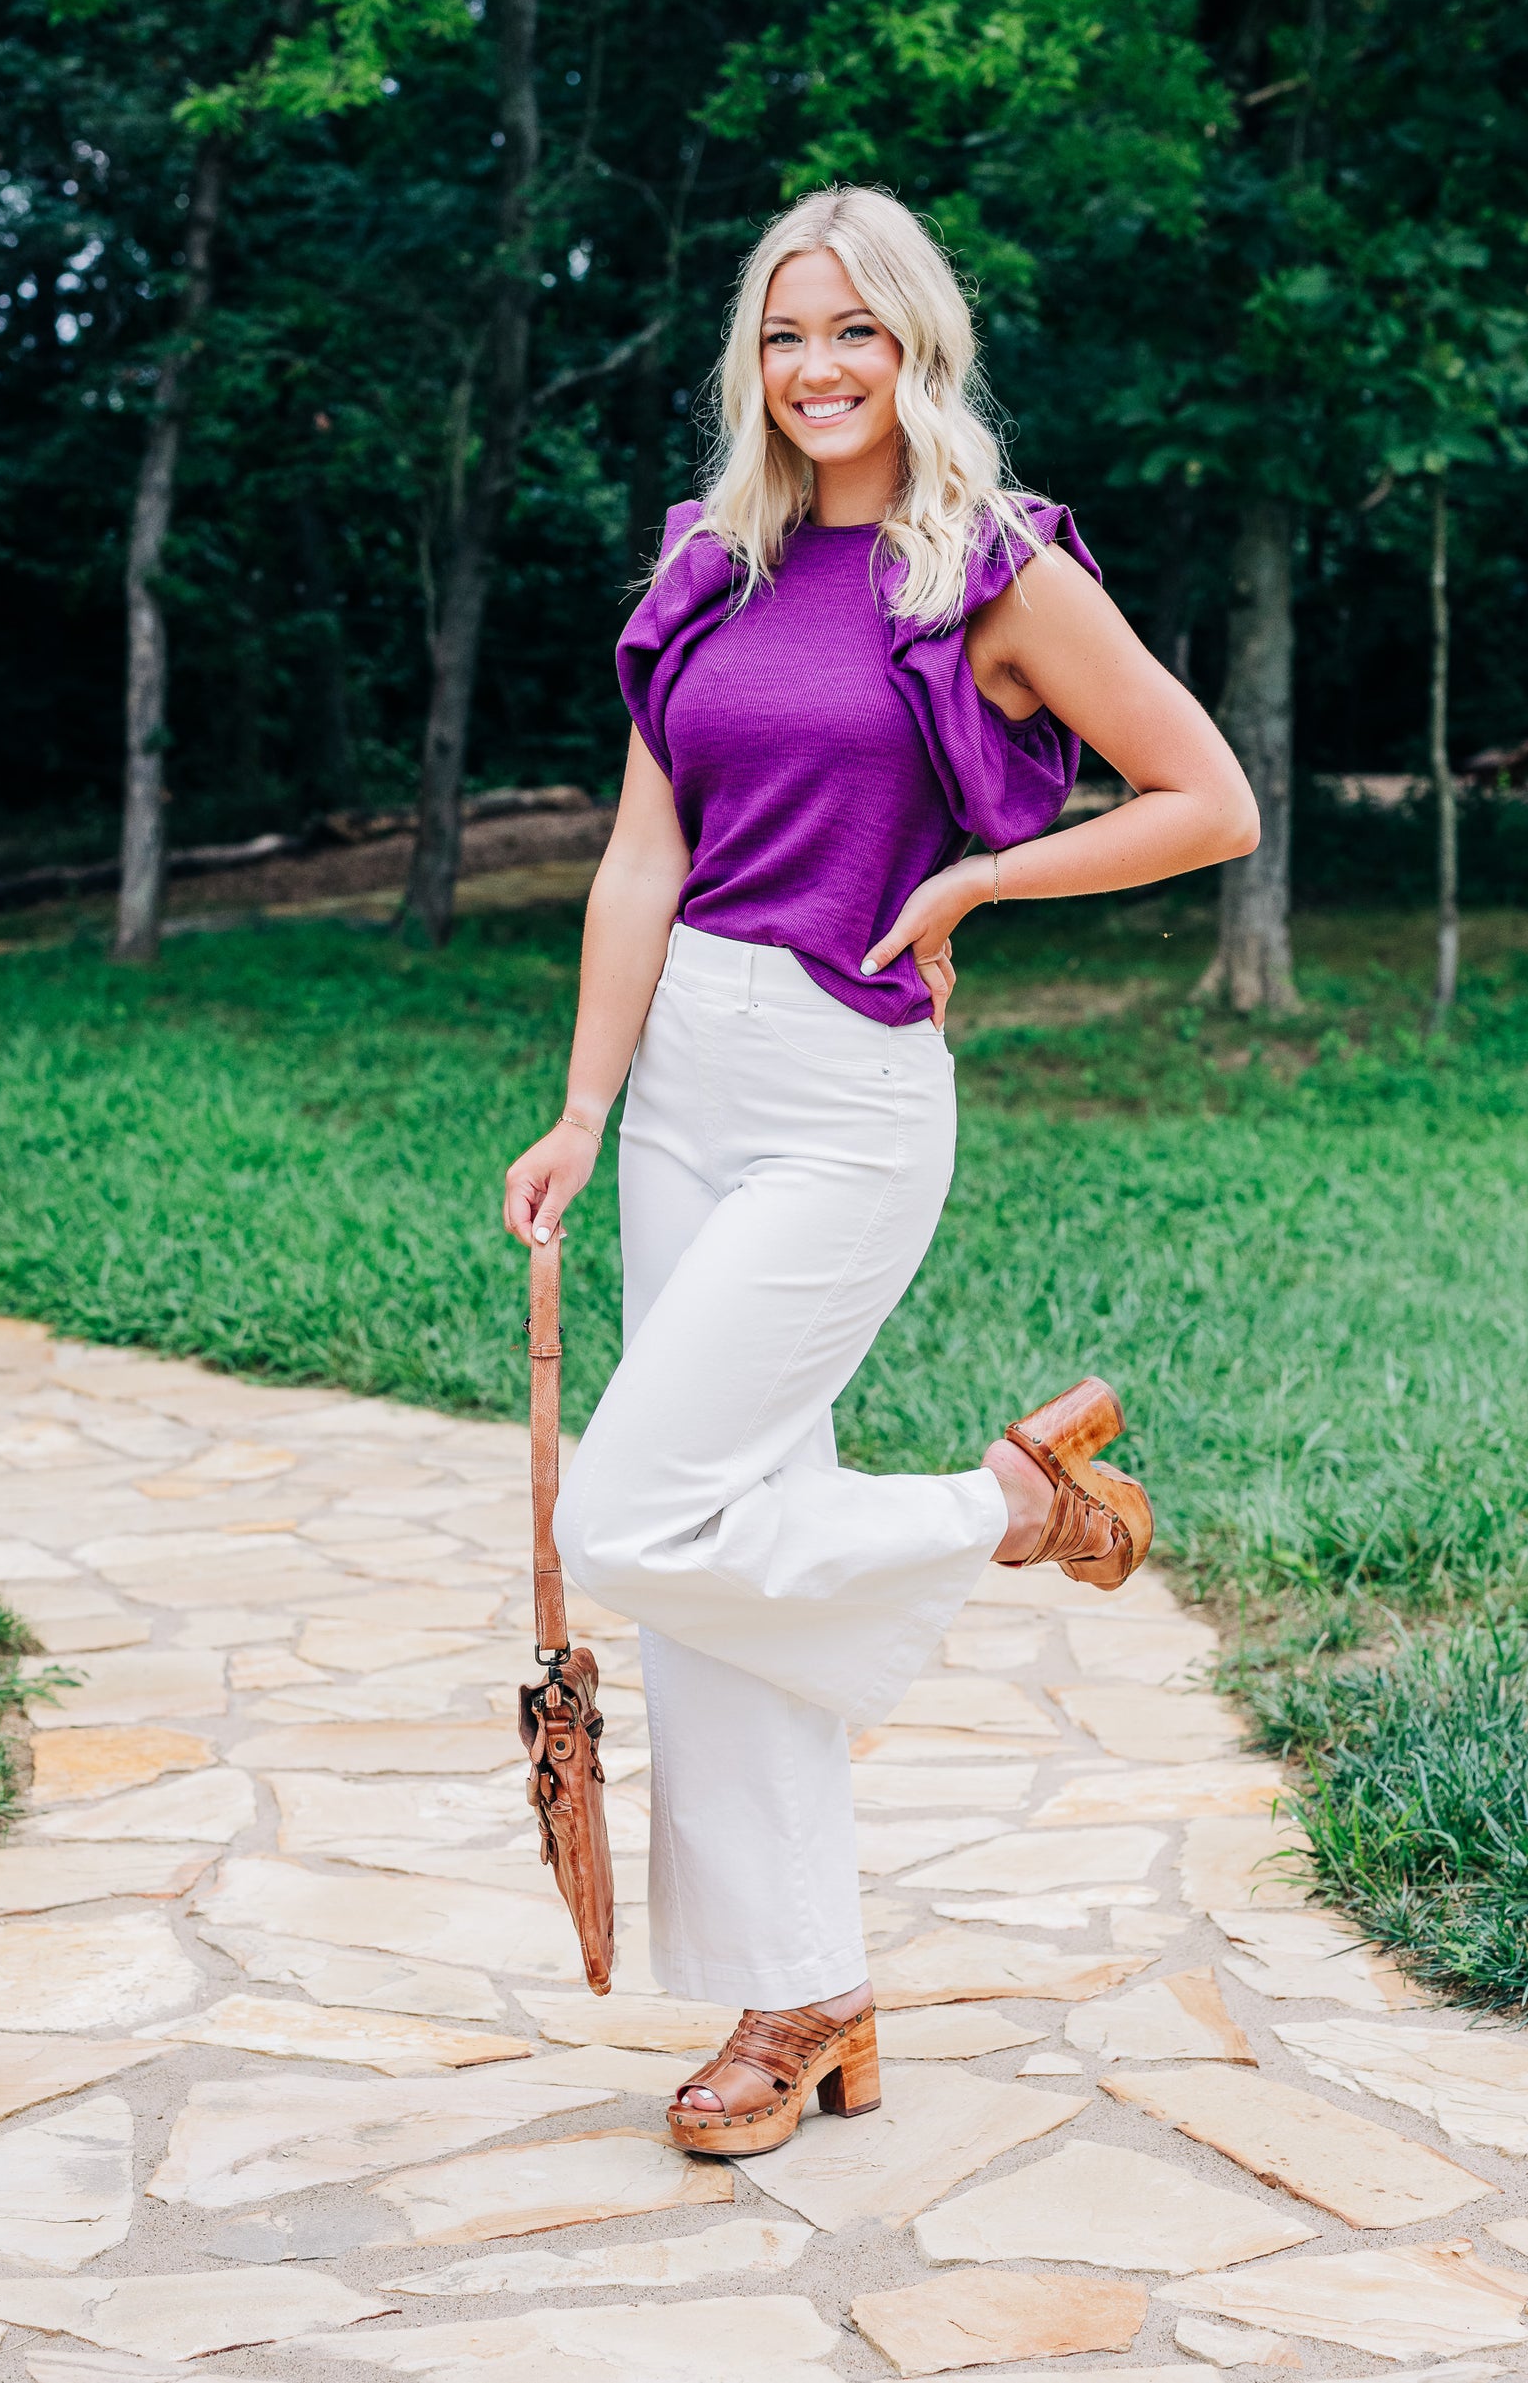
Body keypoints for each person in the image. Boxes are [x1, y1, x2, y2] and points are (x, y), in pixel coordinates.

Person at [502, 184, 1258, 2161]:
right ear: (749, 358)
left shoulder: (993, 569)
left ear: (917, 344)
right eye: (783, 332)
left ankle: (1006, 1506)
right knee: (721, 1548)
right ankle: (803, 1996)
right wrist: (583, 1106)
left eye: (853, 329)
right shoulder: (709, 563)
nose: (816, 367)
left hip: (846, 1091)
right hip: (682, 1077)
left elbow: (1208, 798)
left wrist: (984, 875)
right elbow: (643, 857)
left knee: (634, 1516)